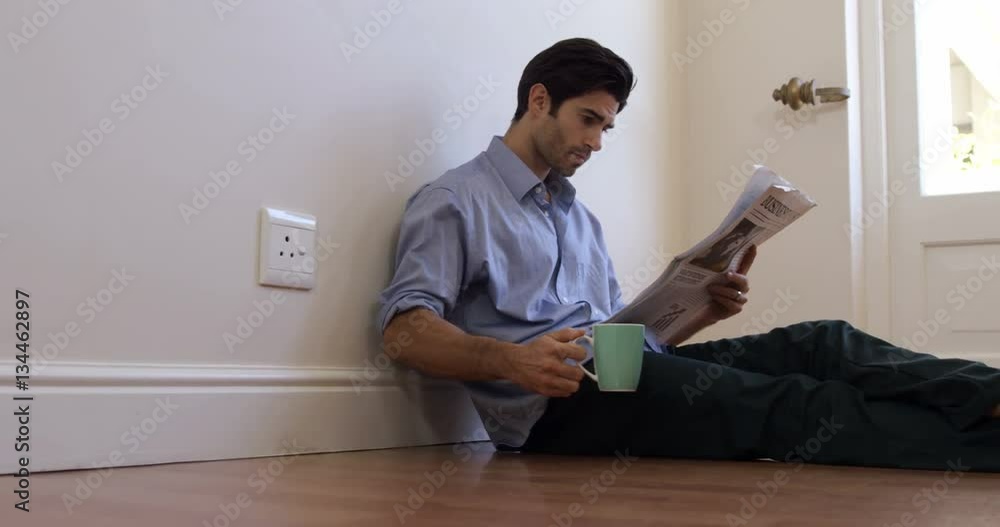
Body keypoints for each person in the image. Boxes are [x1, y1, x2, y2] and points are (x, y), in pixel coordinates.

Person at [376, 38, 1000, 472]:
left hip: (621, 377)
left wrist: (704, 311)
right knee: (793, 403)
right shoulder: (455, 200)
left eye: (606, 127)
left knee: (821, 343)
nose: (596, 142)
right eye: (587, 120)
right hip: (557, 410)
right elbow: (403, 332)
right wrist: (511, 361)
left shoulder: (578, 217)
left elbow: (625, 340)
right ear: (539, 100)